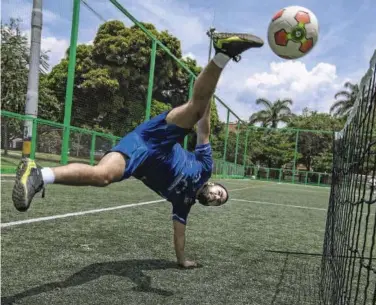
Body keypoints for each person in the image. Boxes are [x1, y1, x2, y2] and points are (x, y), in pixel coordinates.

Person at [11, 31, 264, 268]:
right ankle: (224, 52)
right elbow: (204, 130)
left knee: (103, 177)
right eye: (221, 193)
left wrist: (182, 260)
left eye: (218, 203)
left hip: (139, 159)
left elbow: (179, 234)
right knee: (197, 108)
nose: (218, 198)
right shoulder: (206, 168)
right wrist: (206, 99)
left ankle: (38, 175)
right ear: (215, 185)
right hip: (156, 138)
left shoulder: (183, 203)